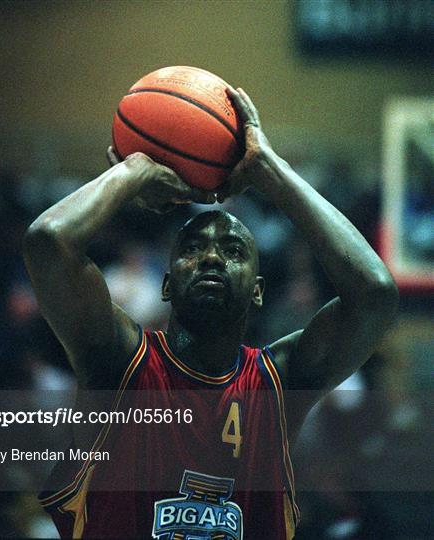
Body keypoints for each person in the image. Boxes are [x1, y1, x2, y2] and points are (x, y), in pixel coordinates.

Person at [23, 88, 398, 539]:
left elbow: (375, 293)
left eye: (233, 249)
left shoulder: (278, 385)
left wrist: (269, 170)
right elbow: (48, 242)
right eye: (193, 248)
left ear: (258, 291)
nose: (212, 258)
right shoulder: (118, 363)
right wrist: (135, 171)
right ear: (166, 284)